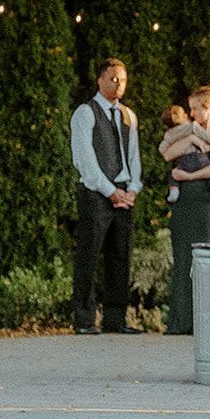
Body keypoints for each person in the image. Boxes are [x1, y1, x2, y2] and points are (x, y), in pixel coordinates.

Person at [69, 58, 144, 335]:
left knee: (120, 256)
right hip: (96, 193)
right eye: (113, 79)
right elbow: (84, 159)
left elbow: (133, 155)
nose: (119, 84)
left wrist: (133, 187)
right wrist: (110, 191)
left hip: (124, 191)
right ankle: (84, 319)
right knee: (88, 255)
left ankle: (115, 318)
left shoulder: (128, 115)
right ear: (100, 80)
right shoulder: (85, 113)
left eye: (123, 80)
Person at [164, 86, 210, 335]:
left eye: (195, 108)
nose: (191, 114)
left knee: (206, 259)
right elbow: (168, 154)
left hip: (206, 202)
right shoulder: (188, 130)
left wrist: (190, 176)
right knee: (182, 258)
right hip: (183, 202)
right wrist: (191, 138)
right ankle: (180, 321)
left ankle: (206, 323)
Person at [158, 105, 210, 205]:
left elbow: (162, 149)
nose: (187, 114)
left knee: (174, 175)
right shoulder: (192, 126)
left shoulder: (169, 135)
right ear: (180, 118)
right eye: (184, 114)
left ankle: (174, 192)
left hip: (183, 162)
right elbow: (207, 136)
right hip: (198, 157)